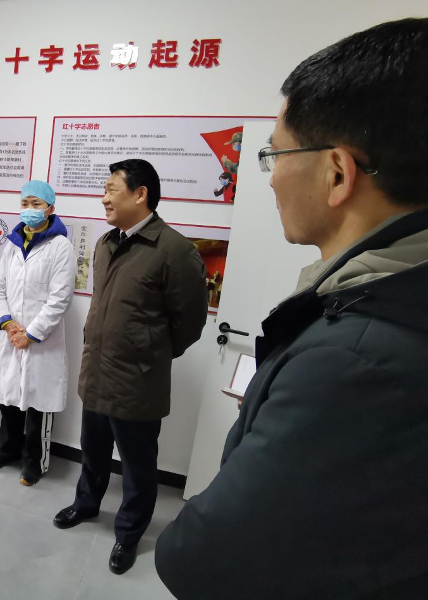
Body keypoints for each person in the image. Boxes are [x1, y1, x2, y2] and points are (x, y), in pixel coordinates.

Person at [155, 18, 428, 600]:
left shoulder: (354, 362)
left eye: (275, 153)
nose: (272, 178)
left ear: (337, 172)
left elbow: (201, 558)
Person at [54, 159, 208, 575]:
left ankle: (128, 532)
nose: (103, 198)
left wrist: (147, 353)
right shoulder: (106, 243)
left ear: (140, 195)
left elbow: (190, 324)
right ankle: (86, 504)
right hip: (97, 372)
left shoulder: (175, 251)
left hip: (138, 382)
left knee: (138, 467)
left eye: (111, 189)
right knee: (92, 451)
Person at [0, 180, 76, 486]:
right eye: (25, 203)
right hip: (11, 336)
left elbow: (60, 299)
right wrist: (7, 322)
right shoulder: (11, 244)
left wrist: (32, 333)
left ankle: (34, 461)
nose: (29, 209)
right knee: (9, 397)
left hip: (42, 341)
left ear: (50, 209)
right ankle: (7, 449)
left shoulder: (61, 247)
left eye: (36, 204)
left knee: (39, 403)